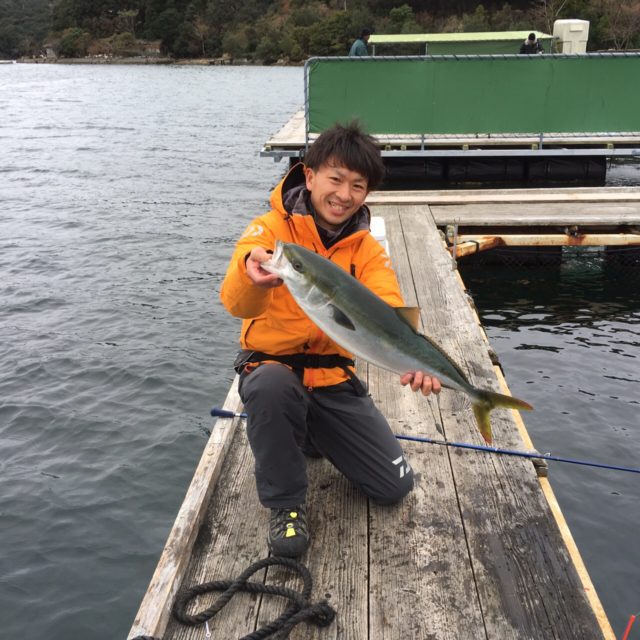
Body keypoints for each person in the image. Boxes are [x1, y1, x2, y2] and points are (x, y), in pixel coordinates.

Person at [220, 122, 441, 558]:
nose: (344, 194)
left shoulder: (367, 250)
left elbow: (387, 304)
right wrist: (251, 272)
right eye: (335, 179)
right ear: (309, 175)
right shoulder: (269, 231)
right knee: (270, 387)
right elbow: (236, 302)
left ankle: (309, 434)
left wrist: (415, 356)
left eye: (357, 185)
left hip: (333, 379)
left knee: (393, 486)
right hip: (274, 369)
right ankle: (286, 504)